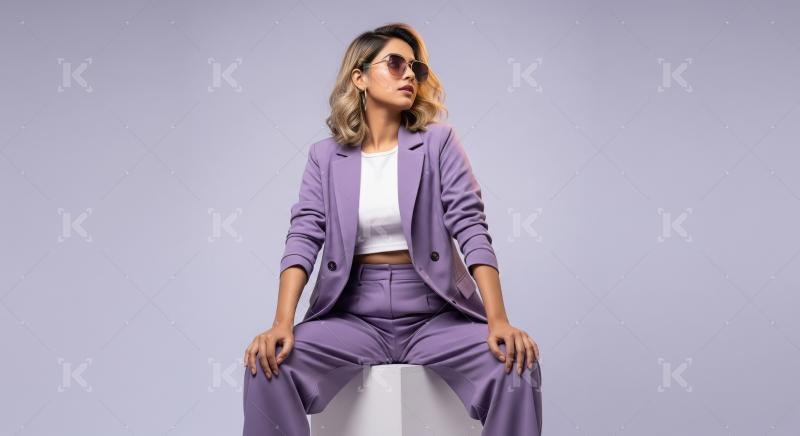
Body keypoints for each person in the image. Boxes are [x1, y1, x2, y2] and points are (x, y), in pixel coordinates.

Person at [242, 22, 542, 436]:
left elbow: (471, 227)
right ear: (359, 77)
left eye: (416, 69)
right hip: (353, 316)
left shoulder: (438, 143)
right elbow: (304, 236)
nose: (408, 76)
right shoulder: (325, 157)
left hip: (434, 313)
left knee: (516, 366)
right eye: (395, 63)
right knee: (267, 365)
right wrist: (281, 323)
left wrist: (498, 321)